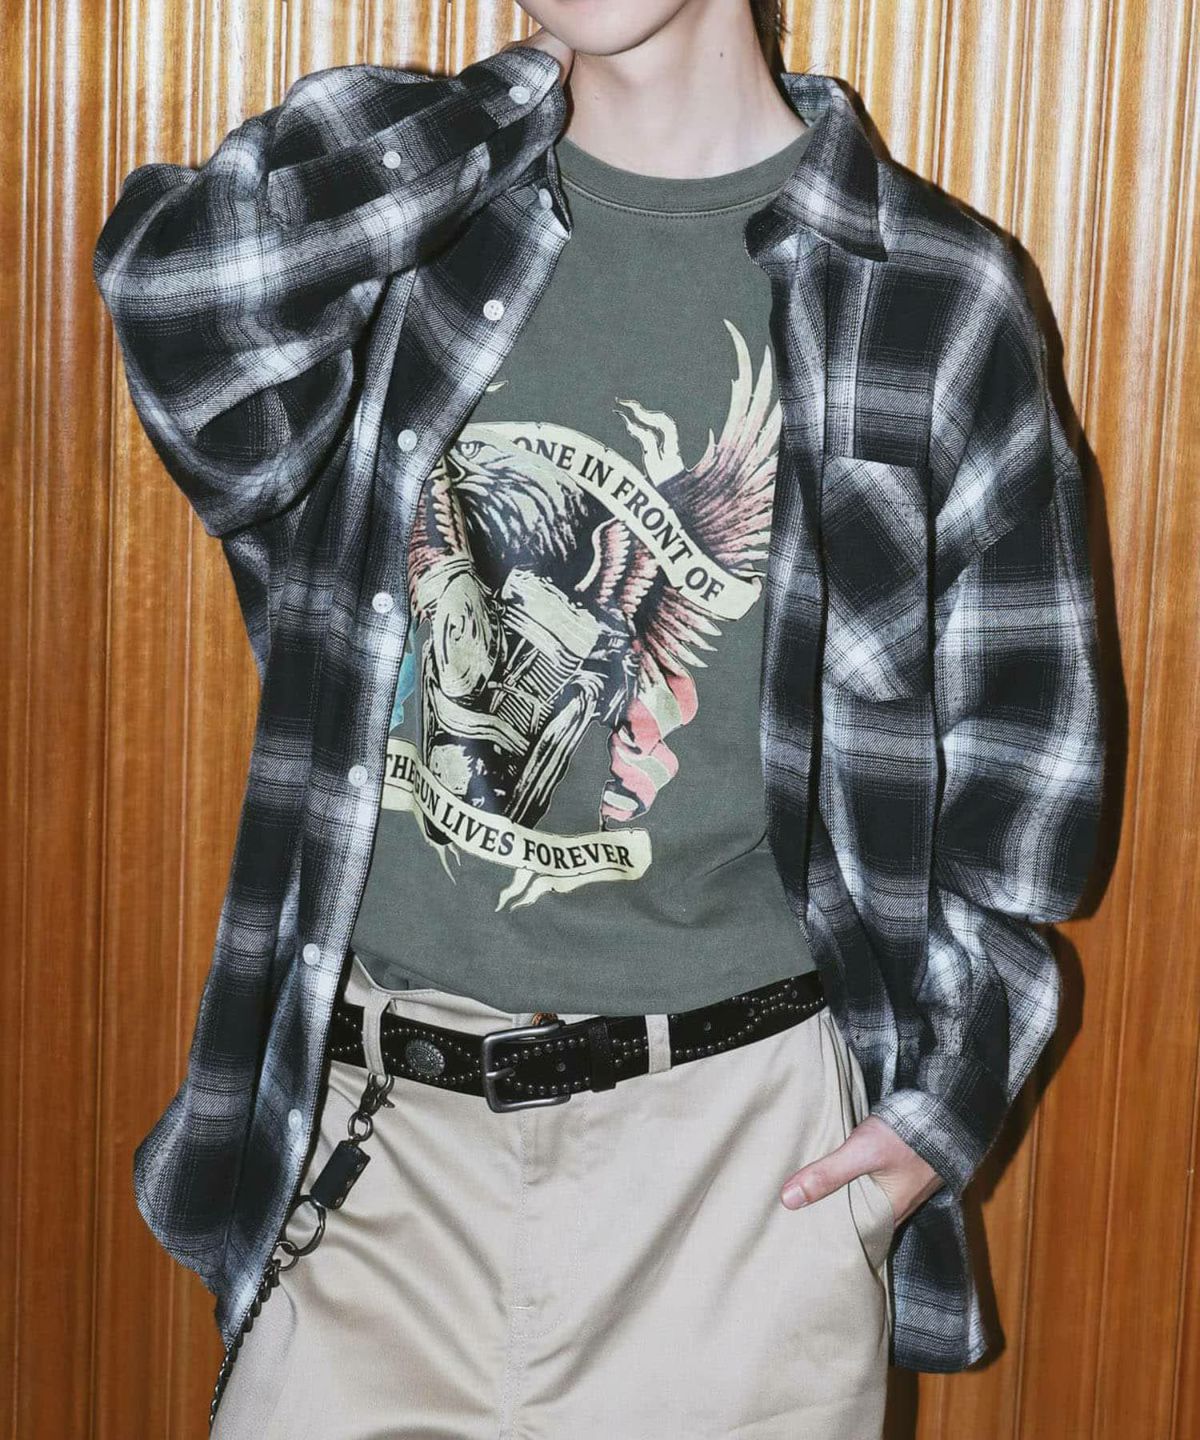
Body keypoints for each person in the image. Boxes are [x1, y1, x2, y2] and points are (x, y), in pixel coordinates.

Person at [91, 0, 1104, 1434]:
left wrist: (937, 1112)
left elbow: (1029, 770)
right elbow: (177, 305)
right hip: (379, 1156)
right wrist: (496, 114)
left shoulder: (930, 293)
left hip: (739, 1183)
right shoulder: (401, 211)